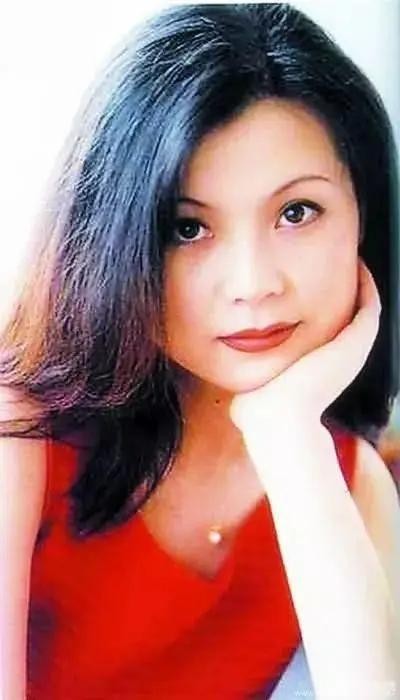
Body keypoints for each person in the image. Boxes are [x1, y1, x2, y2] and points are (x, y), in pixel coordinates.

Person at [1, 3, 400, 698]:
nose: (253, 284)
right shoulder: (22, 434)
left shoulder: (349, 481)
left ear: (363, 220)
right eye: (188, 229)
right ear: (117, 242)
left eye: (296, 213)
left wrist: (287, 436)